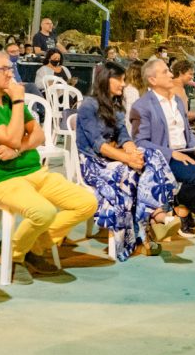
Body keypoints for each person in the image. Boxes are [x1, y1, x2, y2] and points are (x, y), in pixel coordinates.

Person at [0, 50, 96, 283]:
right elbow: (13, 137)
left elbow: (39, 135)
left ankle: (31, 246)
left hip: (33, 170)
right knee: (43, 212)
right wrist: (18, 102)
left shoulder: (8, 99)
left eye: (10, 68)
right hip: (0, 178)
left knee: (86, 203)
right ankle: (15, 256)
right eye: (4, 69)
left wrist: (18, 149)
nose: (10, 74)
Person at [75, 61, 179, 261]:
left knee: (152, 155)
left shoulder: (116, 106)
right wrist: (128, 159)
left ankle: (154, 215)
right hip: (93, 163)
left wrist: (134, 154)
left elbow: (124, 136)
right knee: (130, 173)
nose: (123, 84)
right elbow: (98, 145)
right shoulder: (88, 105)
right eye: (120, 80)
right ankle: (152, 221)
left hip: (115, 157)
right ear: (106, 79)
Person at [133, 59, 195, 238]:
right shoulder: (142, 105)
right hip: (163, 158)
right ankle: (180, 213)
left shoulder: (178, 101)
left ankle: (180, 208)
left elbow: (186, 130)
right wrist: (172, 153)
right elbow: (140, 142)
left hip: (186, 152)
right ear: (152, 80)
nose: (171, 75)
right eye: (165, 72)